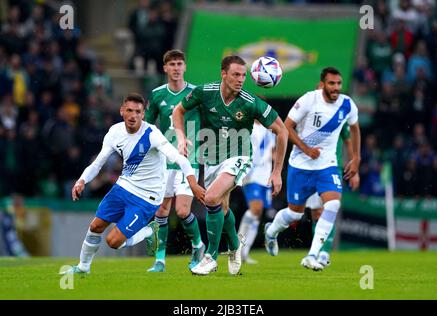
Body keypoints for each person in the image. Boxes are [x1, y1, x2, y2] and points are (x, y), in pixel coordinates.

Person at [60, 93, 204, 275]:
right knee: (95, 227)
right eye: (129, 110)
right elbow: (98, 163)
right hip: (123, 187)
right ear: (122, 111)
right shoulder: (114, 132)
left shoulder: (152, 134)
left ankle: (149, 232)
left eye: (138, 111)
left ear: (143, 114)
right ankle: (83, 267)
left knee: (113, 242)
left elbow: (180, 159)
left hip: (147, 197)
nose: (133, 115)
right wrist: (82, 180)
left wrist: (193, 185)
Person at [173, 55, 288, 275]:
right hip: (211, 157)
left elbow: (282, 131)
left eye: (244, 75)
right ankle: (235, 247)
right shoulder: (205, 92)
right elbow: (178, 110)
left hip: (240, 157)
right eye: (235, 74)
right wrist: (180, 136)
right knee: (221, 208)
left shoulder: (251, 102)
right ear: (223, 74)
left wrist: (277, 172)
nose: (241, 79)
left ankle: (211, 257)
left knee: (211, 198)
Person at [264, 67, 361, 271]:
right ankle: (271, 232)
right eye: (331, 83)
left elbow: (354, 129)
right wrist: (305, 149)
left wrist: (356, 158)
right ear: (323, 84)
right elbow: (285, 127)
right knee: (295, 214)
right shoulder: (309, 100)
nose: (336, 88)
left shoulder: (347, 104)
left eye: (338, 84)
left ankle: (313, 254)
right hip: (300, 165)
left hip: (327, 166)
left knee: (332, 205)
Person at [145, 49, 205, 273]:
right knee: (161, 211)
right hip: (163, 161)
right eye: (172, 65)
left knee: (181, 211)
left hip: (189, 161)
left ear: (185, 67)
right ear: (165, 68)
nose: (176, 68)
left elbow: (210, 119)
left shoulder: (196, 93)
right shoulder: (158, 95)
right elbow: (148, 127)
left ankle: (198, 246)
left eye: (180, 64)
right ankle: (159, 260)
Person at [305, 123, 360, 268]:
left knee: (329, 208)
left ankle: (324, 253)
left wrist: (354, 169)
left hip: (332, 169)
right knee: (316, 213)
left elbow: (349, 141)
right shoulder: (310, 111)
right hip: (310, 169)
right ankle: (316, 251)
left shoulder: (338, 115)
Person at [238, 120, 276, 264]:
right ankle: (238, 245)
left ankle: (245, 252)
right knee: (256, 209)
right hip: (252, 174)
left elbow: (272, 152)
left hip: (265, 176)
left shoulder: (269, 131)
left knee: (258, 214)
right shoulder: (247, 126)